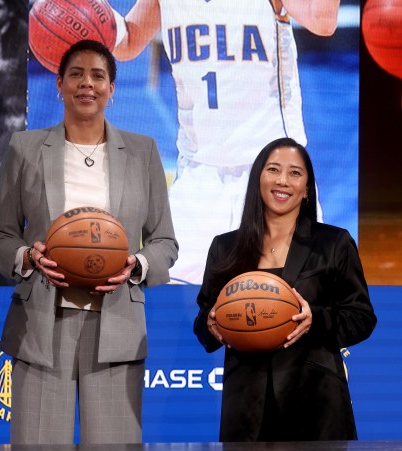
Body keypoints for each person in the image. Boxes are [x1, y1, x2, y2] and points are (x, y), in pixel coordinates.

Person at [0, 40, 178, 444]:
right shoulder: (24, 149)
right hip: (41, 322)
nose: (86, 83)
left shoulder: (143, 152)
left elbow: (164, 241)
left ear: (112, 88)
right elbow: (1, 235)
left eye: (98, 75)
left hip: (118, 324)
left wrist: (137, 265)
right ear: (58, 84)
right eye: (76, 74)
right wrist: (28, 256)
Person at [111, 0, 339, 284]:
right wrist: (89, 10)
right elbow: (128, 41)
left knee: (283, 314)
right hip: (199, 178)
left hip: (272, 175)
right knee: (168, 310)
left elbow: (323, 20)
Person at [193, 137, 376, 441]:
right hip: (246, 409)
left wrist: (314, 319)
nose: (282, 181)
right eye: (273, 169)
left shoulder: (334, 243)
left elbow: (362, 317)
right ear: (258, 179)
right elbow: (203, 323)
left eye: (295, 173)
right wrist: (211, 324)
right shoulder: (225, 247)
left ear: (306, 189)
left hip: (317, 406)